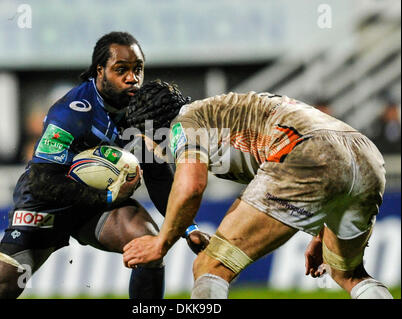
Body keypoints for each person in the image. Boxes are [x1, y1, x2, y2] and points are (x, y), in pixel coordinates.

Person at [0, 32, 208, 299]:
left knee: (146, 244)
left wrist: (188, 228)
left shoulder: (140, 108)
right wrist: (107, 195)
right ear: (100, 71)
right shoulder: (72, 113)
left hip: (96, 207)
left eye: (138, 69)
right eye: (121, 70)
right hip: (49, 202)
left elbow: (156, 174)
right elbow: (42, 182)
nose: (132, 78)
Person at [122, 80, 393, 299]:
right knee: (349, 275)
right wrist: (323, 231)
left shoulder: (184, 123)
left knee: (210, 265)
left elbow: (192, 186)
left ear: (149, 127)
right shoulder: (218, 110)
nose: (147, 148)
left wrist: (161, 243)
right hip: (365, 155)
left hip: (308, 153)